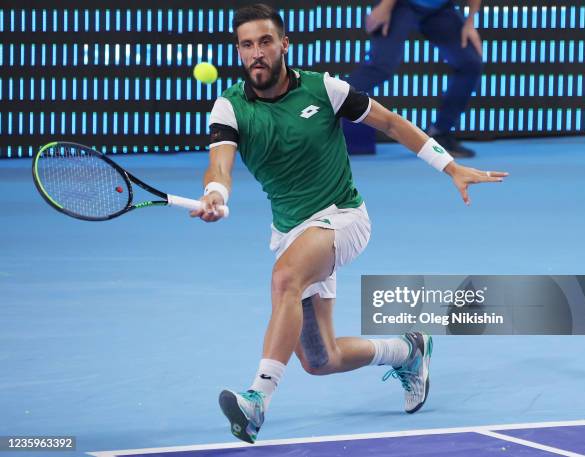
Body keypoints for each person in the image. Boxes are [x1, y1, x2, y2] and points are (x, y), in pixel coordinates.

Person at [191, 3, 506, 444]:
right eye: (247, 45)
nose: (256, 53)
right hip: (291, 231)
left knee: (285, 279)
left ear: (284, 44)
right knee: (322, 359)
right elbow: (219, 167)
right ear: (240, 52)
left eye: (265, 42)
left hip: (343, 217)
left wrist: (450, 166)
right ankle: (408, 350)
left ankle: (256, 400)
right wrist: (216, 195)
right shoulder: (230, 106)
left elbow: (392, 124)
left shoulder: (325, 90)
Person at [346, 0, 484, 157]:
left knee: (470, 64)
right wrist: (385, 6)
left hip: (439, 8)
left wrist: (470, 21)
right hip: (400, 4)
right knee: (381, 66)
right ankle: (323, 111)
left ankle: (440, 133)